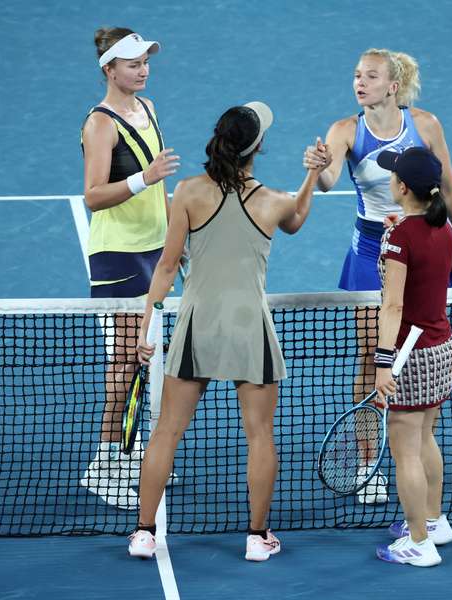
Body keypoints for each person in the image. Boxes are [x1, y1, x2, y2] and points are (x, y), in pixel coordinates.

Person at [126, 102, 320, 562]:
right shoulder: (274, 200)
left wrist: (147, 325)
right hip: (250, 328)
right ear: (257, 149)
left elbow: (168, 267)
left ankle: (143, 532)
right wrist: (312, 174)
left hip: (198, 327)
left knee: (166, 432)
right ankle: (257, 537)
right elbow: (296, 220)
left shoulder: (187, 193)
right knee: (260, 435)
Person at [303, 48, 452, 504]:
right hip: (369, 253)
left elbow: (450, 188)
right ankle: (367, 457)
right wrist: (320, 170)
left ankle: (416, 445)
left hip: (422, 249)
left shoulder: (426, 125)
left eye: (371, 76)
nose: (360, 83)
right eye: (357, 75)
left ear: (392, 85)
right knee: (371, 356)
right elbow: (328, 181)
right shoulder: (344, 130)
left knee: (423, 341)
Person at [79, 27, 181, 509]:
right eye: (132, 63)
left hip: (154, 248)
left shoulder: (149, 108)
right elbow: (94, 196)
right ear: (109, 69)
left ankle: (131, 451)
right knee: (125, 361)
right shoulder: (101, 124)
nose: (142, 70)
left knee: (150, 359)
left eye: (145, 62)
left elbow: (158, 187)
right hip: (118, 254)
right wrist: (145, 178)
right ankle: (105, 464)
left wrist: (174, 239)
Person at [372, 147, 452, 567]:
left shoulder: (399, 236)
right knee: (425, 437)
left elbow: (392, 306)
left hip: (410, 355)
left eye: (393, 176)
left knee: (405, 449)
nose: (390, 179)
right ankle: (434, 520)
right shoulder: (443, 228)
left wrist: (383, 362)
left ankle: (419, 543)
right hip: (442, 349)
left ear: (403, 187)